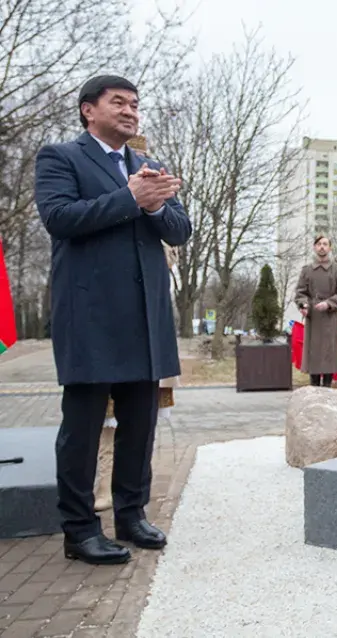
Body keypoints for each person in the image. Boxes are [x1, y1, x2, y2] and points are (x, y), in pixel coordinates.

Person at [35, 75, 192, 565]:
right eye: (118, 102)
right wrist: (130, 199)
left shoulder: (149, 165)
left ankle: (131, 514)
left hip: (145, 319)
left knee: (140, 424)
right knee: (81, 430)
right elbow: (60, 218)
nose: (130, 111)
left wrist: (159, 202)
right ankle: (80, 530)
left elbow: (180, 231)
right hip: (90, 318)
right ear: (88, 111)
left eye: (135, 105)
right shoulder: (60, 158)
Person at [95, 243, 180, 512]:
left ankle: (131, 495)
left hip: (147, 351)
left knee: (139, 429)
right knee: (106, 428)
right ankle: (103, 488)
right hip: (111, 345)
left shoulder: (161, 253)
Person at [295, 235, 337, 387]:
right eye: (319, 244)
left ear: (330, 248)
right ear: (314, 247)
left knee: (328, 353)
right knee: (313, 353)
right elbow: (300, 292)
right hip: (313, 317)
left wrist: (329, 303)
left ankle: (327, 389)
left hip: (329, 317)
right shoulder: (307, 270)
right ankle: (313, 389)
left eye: (325, 244)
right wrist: (303, 305)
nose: (322, 247)